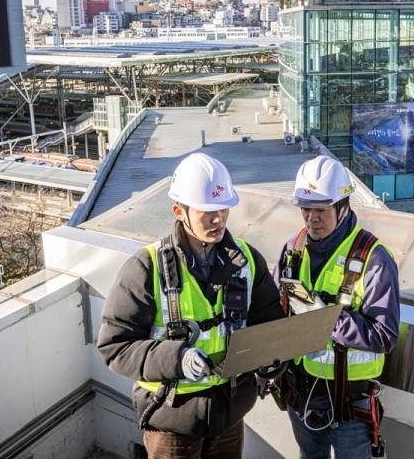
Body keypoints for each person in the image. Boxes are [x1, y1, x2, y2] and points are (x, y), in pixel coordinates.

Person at [97, 153, 285, 458]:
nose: (218, 219)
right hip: (172, 421)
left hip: (230, 414)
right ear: (179, 211)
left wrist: (272, 358)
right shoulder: (147, 267)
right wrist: (177, 358)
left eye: (223, 208)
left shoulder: (247, 261)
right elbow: (115, 347)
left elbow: (269, 324)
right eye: (206, 211)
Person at [271, 156, 400, 459]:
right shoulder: (293, 249)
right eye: (305, 209)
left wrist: (328, 320)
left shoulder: (374, 259)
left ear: (343, 207)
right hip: (300, 396)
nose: (311, 219)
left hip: (349, 409)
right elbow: (275, 311)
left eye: (320, 210)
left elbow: (384, 336)